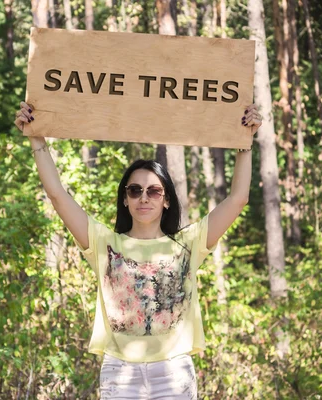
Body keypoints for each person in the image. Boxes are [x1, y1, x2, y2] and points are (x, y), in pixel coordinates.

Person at [13, 101, 262, 399]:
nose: (144, 198)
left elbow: (238, 200)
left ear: (166, 199)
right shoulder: (103, 243)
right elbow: (57, 195)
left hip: (173, 372)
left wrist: (245, 142)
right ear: (125, 199)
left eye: (154, 190)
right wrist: (36, 139)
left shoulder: (188, 243)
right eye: (135, 190)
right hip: (120, 372)